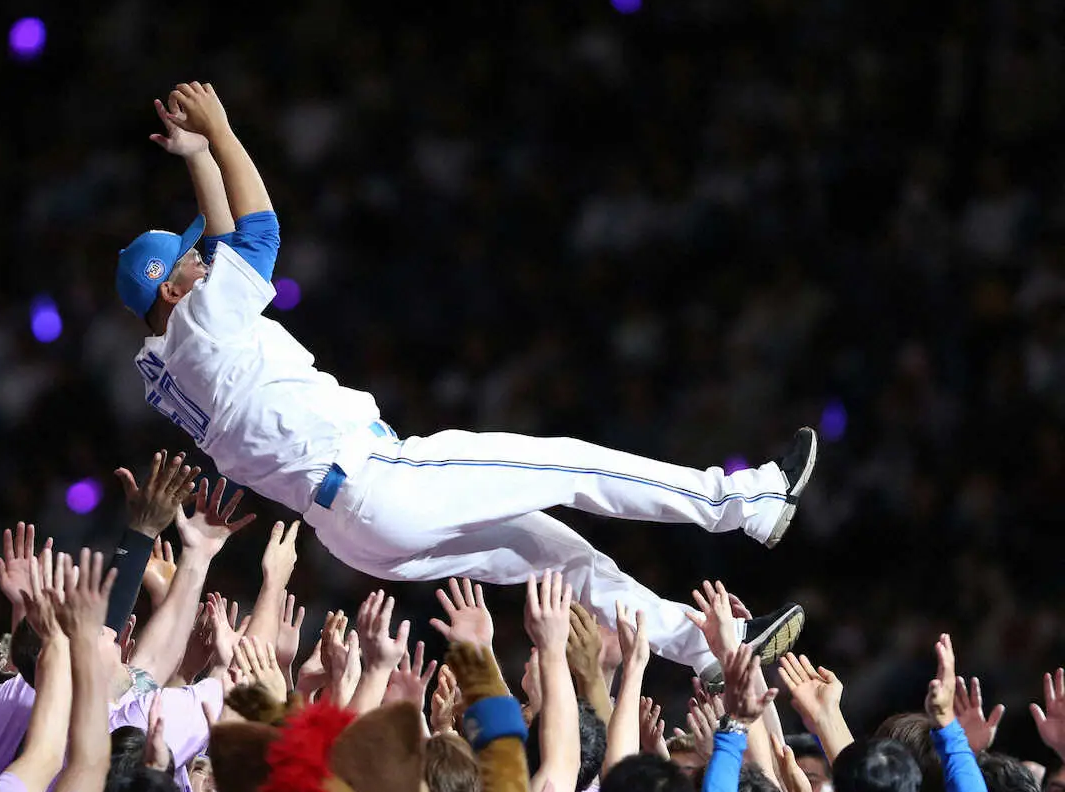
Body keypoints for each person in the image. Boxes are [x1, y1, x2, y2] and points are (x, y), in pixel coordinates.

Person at [114, 81, 818, 681]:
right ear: (175, 290)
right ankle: (747, 501)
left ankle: (700, 647)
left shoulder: (162, 360)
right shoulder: (204, 317)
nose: (202, 260)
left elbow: (216, 236)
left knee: (562, 558)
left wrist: (201, 156)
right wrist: (225, 133)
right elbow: (256, 232)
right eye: (188, 263)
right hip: (378, 479)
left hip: (353, 532)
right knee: (571, 463)